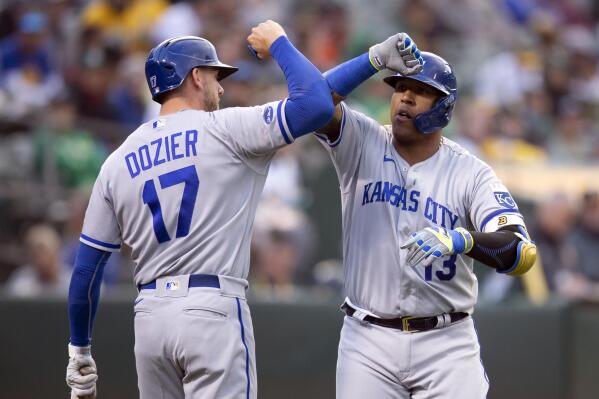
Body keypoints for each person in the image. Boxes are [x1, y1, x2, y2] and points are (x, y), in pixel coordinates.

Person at [64, 20, 337, 399]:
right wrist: (279, 44)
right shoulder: (225, 128)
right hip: (211, 308)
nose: (221, 86)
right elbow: (317, 102)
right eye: (214, 75)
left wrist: (80, 349)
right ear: (195, 76)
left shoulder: (118, 160)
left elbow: (86, 271)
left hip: (150, 319)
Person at [315, 37, 538, 398]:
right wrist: (372, 60)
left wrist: (461, 239)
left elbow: (520, 253)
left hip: (446, 344)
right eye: (400, 87)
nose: (404, 97)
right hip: (367, 340)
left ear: (444, 108)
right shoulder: (362, 141)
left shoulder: (471, 173)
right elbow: (311, 99)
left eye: (420, 91)